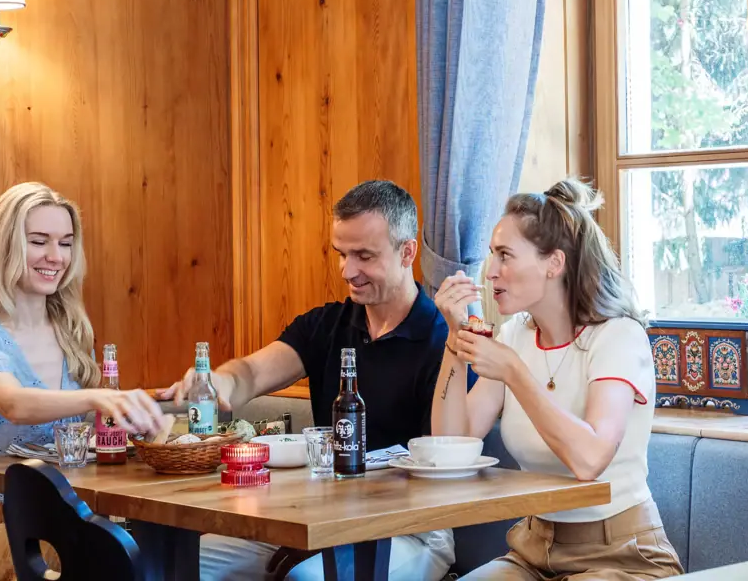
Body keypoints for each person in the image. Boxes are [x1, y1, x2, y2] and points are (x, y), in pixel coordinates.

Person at [167, 180, 456, 581]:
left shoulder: (442, 340)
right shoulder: (326, 324)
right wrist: (216, 383)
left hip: (409, 527)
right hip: (314, 516)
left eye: (364, 256)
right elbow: (250, 372)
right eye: (341, 254)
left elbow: (443, 460)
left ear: (407, 252)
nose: (347, 271)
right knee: (180, 566)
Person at [431, 178, 683, 580]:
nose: (490, 271)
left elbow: (589, 459)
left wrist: (515, 372)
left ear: (554, 263)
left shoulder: (617, 335)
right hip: (534, 549)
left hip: (622, 554)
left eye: (505, 255)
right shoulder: (516, 334)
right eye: (492, 255)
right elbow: (450, 444)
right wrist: (454, 339)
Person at [0, 182, 167, 581]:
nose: (55, 256)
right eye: (38, 241)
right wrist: (99, 399)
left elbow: (79, 435)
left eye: (65, 243)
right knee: (86, 550)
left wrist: (137, 428)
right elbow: (14, 403)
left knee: (153, 545)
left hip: (70, 512)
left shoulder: (72, 329)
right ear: (5, 246)